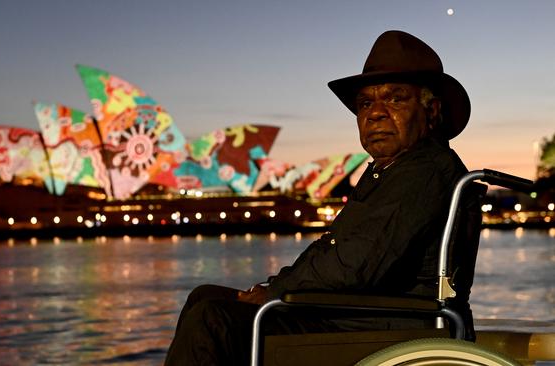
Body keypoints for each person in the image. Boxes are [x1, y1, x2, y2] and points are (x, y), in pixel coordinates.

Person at [165, 30, 475, 366]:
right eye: (366, 103)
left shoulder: (424, 170)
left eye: (395, 99)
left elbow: (355, 266)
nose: (375, 113)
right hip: (352, 317)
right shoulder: (389, 172)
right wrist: (275, 286)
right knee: (204, 296)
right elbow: (335, 252)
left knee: (212, 320)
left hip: (385, 328)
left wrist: (274, 292)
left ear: (431, 111)